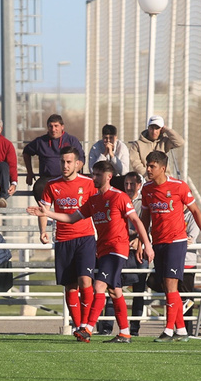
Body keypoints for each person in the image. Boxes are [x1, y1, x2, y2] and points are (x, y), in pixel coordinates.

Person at [33, 161, 154, 343]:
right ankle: (125, 333)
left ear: (108, 177)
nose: (94, 178)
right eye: (93, 174)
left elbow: (136, 221)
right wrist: (47, 214)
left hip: (117, 248)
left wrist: (146, 244)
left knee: (99, 286)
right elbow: (72, 218)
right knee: (115, 291)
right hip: (103, 249)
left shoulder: (119, 197)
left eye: (97, 175)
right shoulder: (94, 200)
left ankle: (87, 328)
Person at [139, 150, 201, 342]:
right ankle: (181, 329)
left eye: (152, 166)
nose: (148, 169)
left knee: (171, 285)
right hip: (158, 242)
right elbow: (145, 217)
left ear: (162, 168)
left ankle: (168, 330)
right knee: (166, 285)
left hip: (176, 242)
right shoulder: (147, 189)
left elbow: (196, 212)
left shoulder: (179, 187)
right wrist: (142, 240)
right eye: (147, 165)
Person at [33, 146, 96, 333]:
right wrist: (43, 230)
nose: (65, 165)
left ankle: (86, 325)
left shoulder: (88, 184)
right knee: (70, 286)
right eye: (62, 162)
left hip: (85, 238)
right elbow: (43, 210)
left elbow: (97, 208)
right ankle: (77, 326)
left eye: (69, 162)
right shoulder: (52, 185)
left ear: (77, 164)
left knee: (86, 281)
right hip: (63, 239)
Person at [22, 114, 86, 203]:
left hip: (68, 178)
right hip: (47, 178)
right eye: (50, 126)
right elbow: (26, 152)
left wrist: (73, 172)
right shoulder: (40, 141)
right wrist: (29, 172)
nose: (53, 129)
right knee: (39, 187)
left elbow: (81, 159)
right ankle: (45, 213)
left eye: (56, 126)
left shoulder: (72, 140)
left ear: (62, 127)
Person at [120, 171, 148, 336]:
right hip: (120, 248)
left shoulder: (144, 203)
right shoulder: (119, 199)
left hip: (139, 250)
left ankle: (135, 328)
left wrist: (140, 240)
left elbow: (148, 224)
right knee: (114, 287)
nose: (128, 187)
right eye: (126, 184)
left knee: (139, 290)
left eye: (132, 184)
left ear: (139, 185)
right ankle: (107, 327)